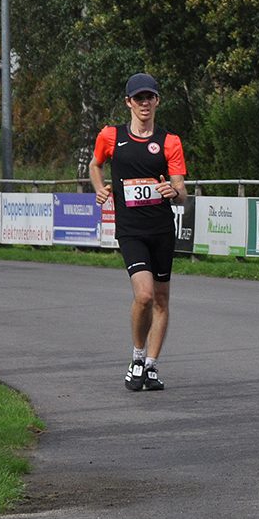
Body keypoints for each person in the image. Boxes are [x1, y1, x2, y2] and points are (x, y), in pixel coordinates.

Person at [89, 73, 188, 392]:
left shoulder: (169, 140)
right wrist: (98, 189)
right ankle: (136, 356)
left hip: (161, 229)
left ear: (157, 101)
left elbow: (181, 190)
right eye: (138, 98)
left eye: (150, 97)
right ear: (128, 102)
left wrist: (172, 191)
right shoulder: (110, 136)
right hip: (130, 230)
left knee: (161, 299)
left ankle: (152, 365)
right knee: (143, 295)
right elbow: (95, 165)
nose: (144, 103)